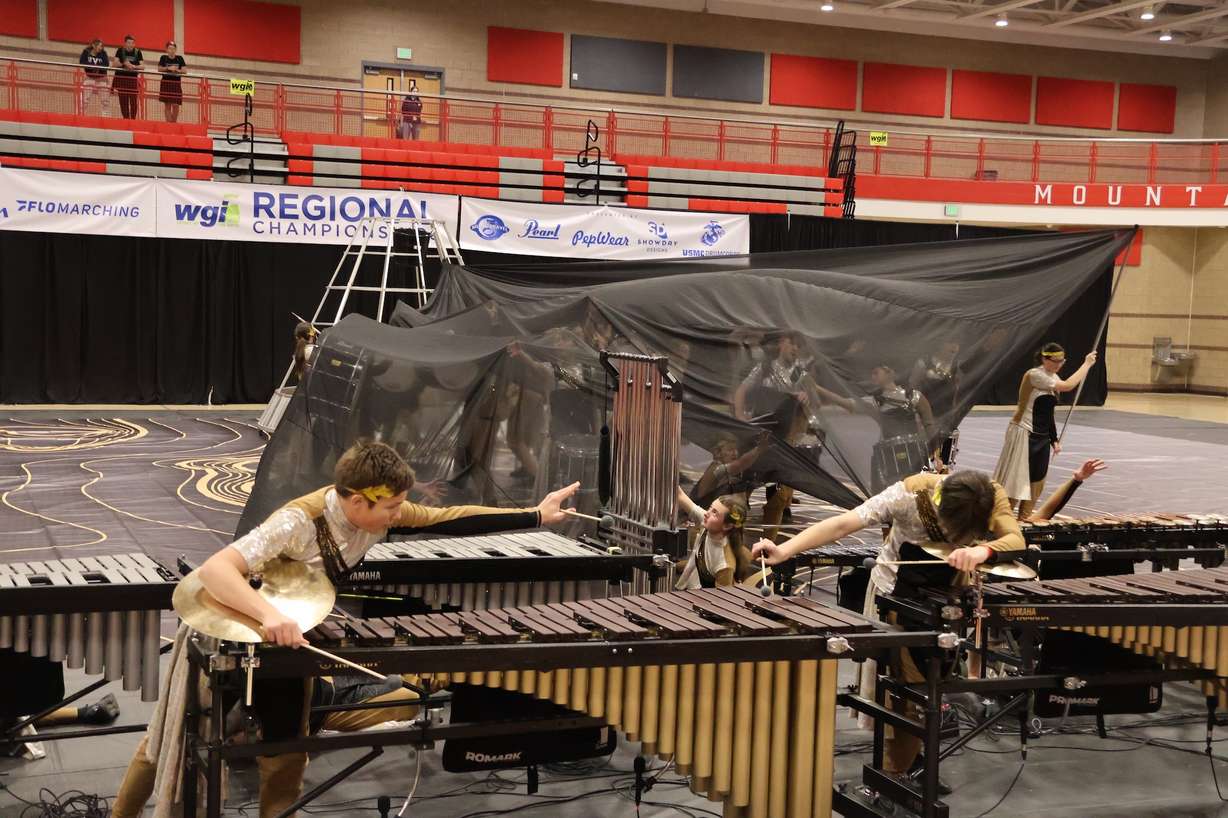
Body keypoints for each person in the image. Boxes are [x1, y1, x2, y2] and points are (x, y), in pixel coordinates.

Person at [111, 440, 580, 818]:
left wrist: (537, 515)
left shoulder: (377, 512)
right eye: (392, 506)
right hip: (230, 632)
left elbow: (448, 519)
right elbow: (216, 570)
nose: (400, 513)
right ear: (358, 500)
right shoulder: (298, 520)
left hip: (288, 643)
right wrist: (269, 616)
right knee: (166, 741)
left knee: (287, 748)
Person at [751, 469, 1023, 780]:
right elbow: (844, 523)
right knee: (904, 695)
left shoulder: (988, 494)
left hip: (946, 598)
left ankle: (909, 760)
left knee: (926, 688)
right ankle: (897, 771)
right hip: (895, 596)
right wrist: (784, 550)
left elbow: (1015, 538)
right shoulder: (909, 495)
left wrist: (982, 550)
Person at [993, 342, 1098, 519]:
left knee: (1036, 482)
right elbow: (1068, 386)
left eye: (1061, 361)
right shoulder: (1035, 375)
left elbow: (1047, 413)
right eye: (1055, 361)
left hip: (1041, 437)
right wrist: (1086, 364)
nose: (1058, 365)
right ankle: (1003, 522)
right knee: (1016, 482)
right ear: (1044, 358)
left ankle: (1026, 523)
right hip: (1023, 433)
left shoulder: (1053, 377)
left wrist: (1053, 439)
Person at [813, 364, 941, 493]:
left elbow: (929, 426)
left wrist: (936, 456)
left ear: (890, 372)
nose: (872, 377)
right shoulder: (875, 401)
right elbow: (845, 403)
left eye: (876, 372)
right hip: (888, 456)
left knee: (915, 493)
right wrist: (817, 388)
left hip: (914, 454)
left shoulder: (914, 396)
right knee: (888, 495)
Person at [733, 332, 812, 541]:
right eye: (792, 343)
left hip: (784, 440)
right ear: (782, 344)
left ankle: (769, 543)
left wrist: (805, 400)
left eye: (799, 346)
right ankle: (735, 541)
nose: (795, 349)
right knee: (743, 489)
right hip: (759, 435)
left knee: (780, 495)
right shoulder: (765, 368)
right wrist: (740, 416)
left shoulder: (801, 375)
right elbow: (741, 391)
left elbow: (809, 410)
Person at [675, 487, 750, 588]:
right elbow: (680, 495)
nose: (707, 513)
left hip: (702, 599)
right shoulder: (709, 523)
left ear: (727, 526)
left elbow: (719, 600)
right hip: (690, 584)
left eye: (715, 513)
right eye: (710, 508)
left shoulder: (724, 565)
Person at [909, 340, 961, 465]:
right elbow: (913, 387)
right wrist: (916, 412)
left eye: (957, 344)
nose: (954, 346)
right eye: (950, 342)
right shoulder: (923, 363)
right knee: (924, 449)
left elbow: (956, 389)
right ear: (941, 344)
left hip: (945, 413)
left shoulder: (956, 365)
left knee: (943, 450)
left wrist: (954, 413)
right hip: (926, 414)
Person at [112, 35, 143, 120]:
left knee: (133, 102)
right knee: (123, 102)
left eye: (132, 43)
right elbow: (114, 64)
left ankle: (133, 119)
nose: (130, 44)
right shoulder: (120, 51)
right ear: (125, 43)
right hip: (121, 80)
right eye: (129, 43)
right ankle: (125, 119)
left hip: (132, 80)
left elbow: (142, 66)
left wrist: (133, 66)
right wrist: (124, 64)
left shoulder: (138, 52)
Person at [78, 39, 110, 116]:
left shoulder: (103, 53)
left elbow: (106, 64)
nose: (101, 48)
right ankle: (81, 115)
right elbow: (82, 62)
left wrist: (98, 67)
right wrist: (91, 67)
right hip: (89, 77)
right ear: (93, 45)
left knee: (105, 100)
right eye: (99, 46)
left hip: (101, 78)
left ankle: (106, 117)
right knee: (85, 99)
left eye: (102, 46)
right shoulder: (86, 52)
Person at [157, 41, 186, 123]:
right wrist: (168, 68)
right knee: (167, 105)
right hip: (166, 83)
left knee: (176, 105)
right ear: (167, 50)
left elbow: (184, 70)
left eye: (173, 49)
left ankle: (173, 123)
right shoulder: (163, 58)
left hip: (176, 84)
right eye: (170, 48)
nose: (172, 50)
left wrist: (176, 70)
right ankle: (169, 125)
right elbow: (159, 68)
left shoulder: (180, 58)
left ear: (175, 49)